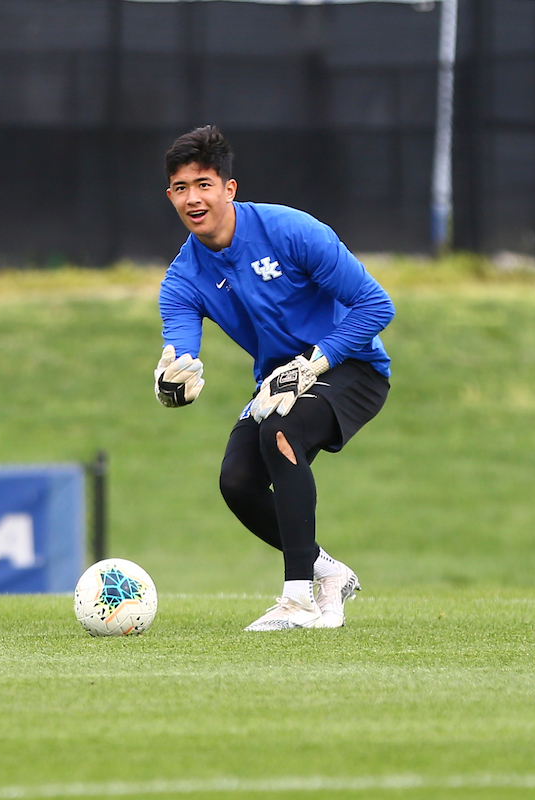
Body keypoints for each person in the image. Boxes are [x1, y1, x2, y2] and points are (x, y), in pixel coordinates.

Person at [154, 126, 395, 631]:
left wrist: (315, 364)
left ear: (228, 188)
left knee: (279, 430)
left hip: (352, 367)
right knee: (236, 481)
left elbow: (376, 306)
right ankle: (327, 573)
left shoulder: (290, 231)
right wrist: (173, 378)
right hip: (279, 381)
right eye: (180, 188)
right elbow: (180, 346)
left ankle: (299, 600)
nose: (192, 198)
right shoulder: (181, 278)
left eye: (203, 184)